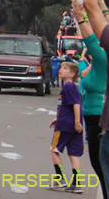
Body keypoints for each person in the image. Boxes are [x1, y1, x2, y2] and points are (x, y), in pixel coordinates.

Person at [71, 0, 107, 199]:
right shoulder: (98, 62)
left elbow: (91, 41)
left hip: (98, 119)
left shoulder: (103, 58)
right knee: (100, 165)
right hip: (93, 117)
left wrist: (81, 19)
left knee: (101, 165)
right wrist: (102, 4)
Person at [48, 61, 85, 193]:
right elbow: (69, 107)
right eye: (61, 68)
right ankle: (76, 183)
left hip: (65, 126)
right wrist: (58, 118)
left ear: (72, 74)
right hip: (71, 124)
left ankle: (59, 178)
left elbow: (76, 105)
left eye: (64, 69)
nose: (61, 70)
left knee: (54, 149)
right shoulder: (73, 87)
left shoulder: (68, 86)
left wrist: (76, 121)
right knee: (73, 154)